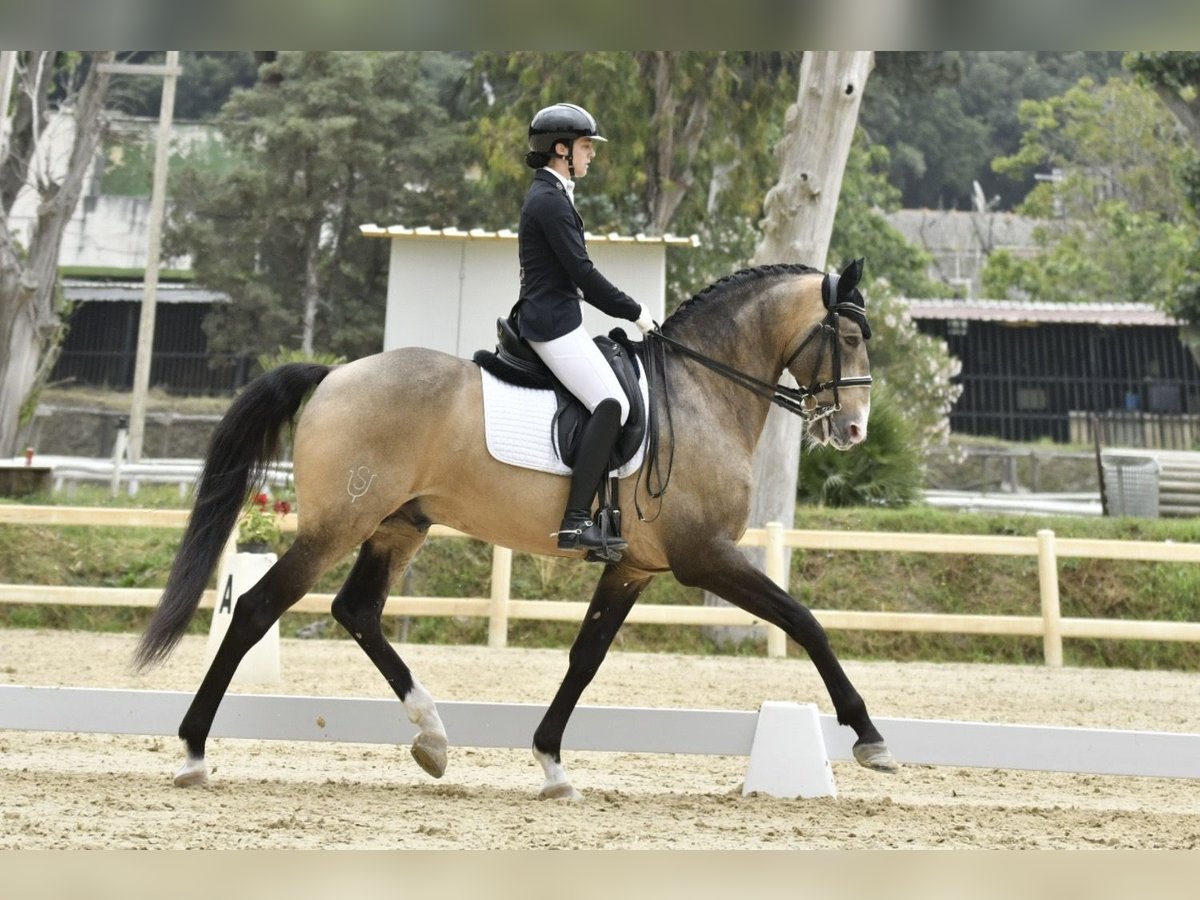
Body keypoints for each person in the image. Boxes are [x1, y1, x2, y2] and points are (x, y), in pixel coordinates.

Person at [515, 102, 656, 557]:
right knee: (610, 403)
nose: (591, 154)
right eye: (585, 145)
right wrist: (636, 312)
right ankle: (575, 522)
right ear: (561, 150)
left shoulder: (554, 194)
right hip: (551, 325)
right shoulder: (549, 201)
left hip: (560, 318)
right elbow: (583, 274)